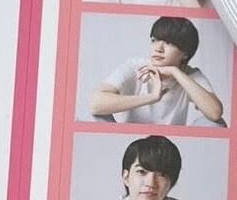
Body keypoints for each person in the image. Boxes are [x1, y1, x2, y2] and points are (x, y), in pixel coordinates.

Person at [89, 16, 224, 125]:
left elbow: (215, 113)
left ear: (185, 54)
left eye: (169, 43)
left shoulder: (190, 75)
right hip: (131, 138)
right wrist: (152, 97)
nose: (158, 48)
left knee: (215, 124)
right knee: (98, 115)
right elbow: (95, 104)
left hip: (169, 140)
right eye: (154, 40)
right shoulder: (136, 66)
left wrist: (175, 72)